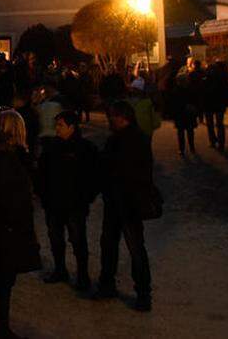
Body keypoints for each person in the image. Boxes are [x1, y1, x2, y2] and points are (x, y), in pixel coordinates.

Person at [0, 110, 41, 339]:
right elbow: (10, 196)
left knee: (0, 283)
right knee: (2, 284)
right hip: (8, 230)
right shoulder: (8, 158)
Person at [95, 101, 156, 312]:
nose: (109, 120)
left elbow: (120, 170)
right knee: (119, 245)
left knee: (129, 246)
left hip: (126, 201)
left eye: (111, 116)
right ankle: (131, 289)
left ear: (122, 117)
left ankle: (138, 291)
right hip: (123, 200)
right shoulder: (132, 139)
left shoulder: (127, 140)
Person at [37, 111, 99, 290]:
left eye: (60, 125)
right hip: (54, 203)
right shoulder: (51, 148)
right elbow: (41, 174)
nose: (56, 129)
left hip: (75, 204)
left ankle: (82, 275)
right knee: (56, 238)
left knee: (78, 239)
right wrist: (44, 195)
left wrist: (86, 197)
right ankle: (60, 269)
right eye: (56, 125)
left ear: (71, 127)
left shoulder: (85, 149)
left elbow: (94, 176)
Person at [201, 62, 228, 151]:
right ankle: (221, 143)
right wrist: (226, 103)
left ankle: (213, 141)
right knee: (219, 124)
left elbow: (202, 93)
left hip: (209, 104)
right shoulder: (222, 78)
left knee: (210, 124)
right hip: (219, 104)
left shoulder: (205, 78)